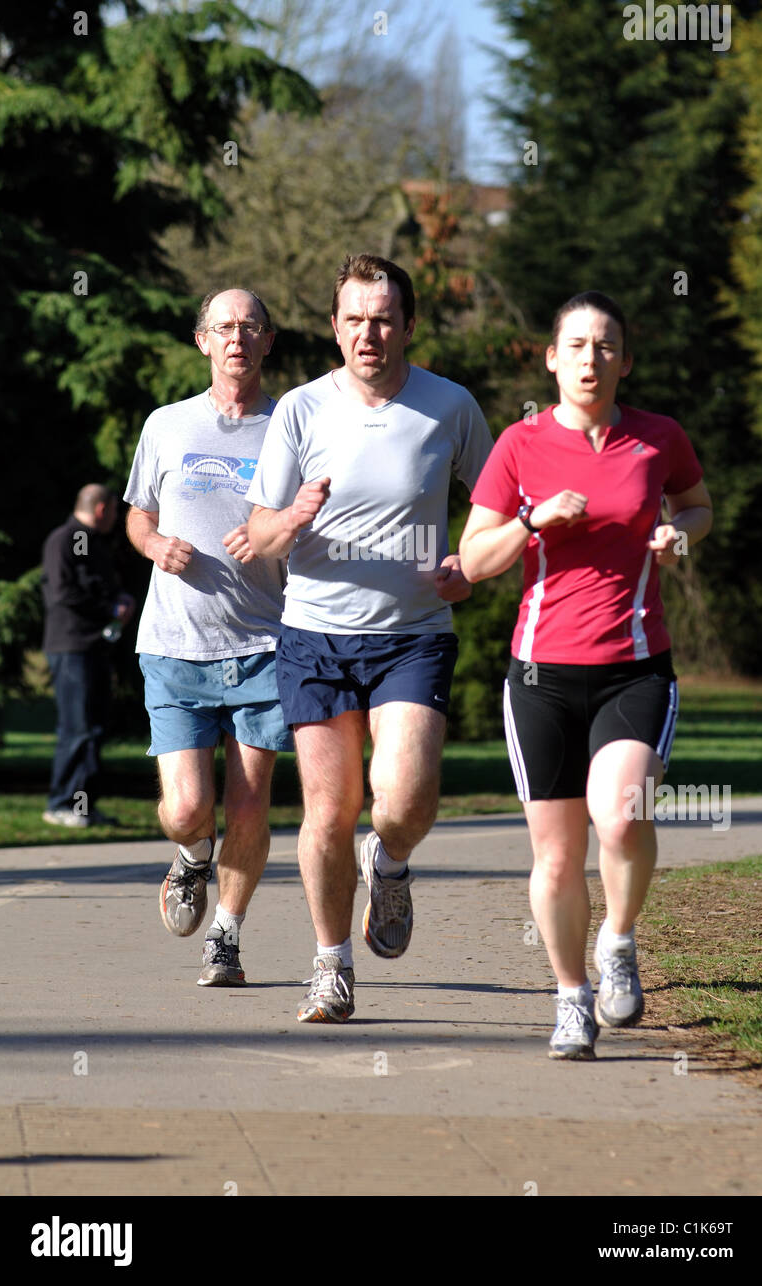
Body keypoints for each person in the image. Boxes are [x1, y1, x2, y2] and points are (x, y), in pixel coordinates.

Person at [459, 291, 712, 1059]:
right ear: (552, 358)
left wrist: (679, 532)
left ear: (625, 361)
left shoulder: (657, 439)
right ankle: (572, 998)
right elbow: (472, 561)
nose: (590, 359)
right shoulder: (520, 445)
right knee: (559, 855)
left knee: (624, 815)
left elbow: (698, 506)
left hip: (635, 667)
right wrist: (532, 521)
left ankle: (621, 939)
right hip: (541, 676)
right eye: (576, 345)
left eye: (606, 346)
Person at [245, 253, 493, 1022]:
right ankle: (331, 966)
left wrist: (470, 566)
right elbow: (258, 528)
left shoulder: (449, 407)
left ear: (409, 325)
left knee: (406, 799)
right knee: (327, 809)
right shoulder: (299, 410)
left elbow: (493, 508)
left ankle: (389, 862)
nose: (369, 333)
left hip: (413, 636)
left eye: (383, 318)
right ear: (334, 326)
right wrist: (290, 520)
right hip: (316, 635)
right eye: (354, 318)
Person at [124, 288, 291, 987]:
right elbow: (137, 516)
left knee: (250, 804)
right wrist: (157, 544)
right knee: (190, 805)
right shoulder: (166, 424)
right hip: (174, 643)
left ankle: (226, 934)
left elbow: (320, 521)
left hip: (265, 647)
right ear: (202, 341)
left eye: (250, 326)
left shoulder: (292, 425)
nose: (237, 338)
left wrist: (275, 534)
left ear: (267, 341)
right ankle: (192, 856)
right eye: (224, 327)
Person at [41, 484, 135, 827]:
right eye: (113, 511)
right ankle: (61, 803)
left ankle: (83, 806)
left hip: (93, 647)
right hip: (71, 647)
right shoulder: (65, 539)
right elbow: (63, 593)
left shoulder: (92, 543)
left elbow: (96, 586)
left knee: (94, 728)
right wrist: (109, 606)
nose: (115, 518)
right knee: (77, 728)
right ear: (101, 509)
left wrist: (119, 600)